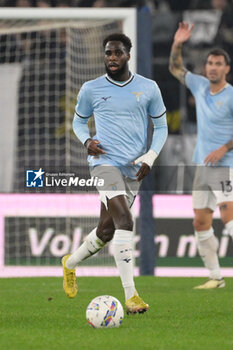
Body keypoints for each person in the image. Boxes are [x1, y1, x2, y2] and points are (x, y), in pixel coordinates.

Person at [62, 33, 168, 313]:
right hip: (103, 164)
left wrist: (151, 155)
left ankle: (70, 263)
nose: (112, 58)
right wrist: (87, 141)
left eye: (117, 53)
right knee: (125, 220)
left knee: (106, 231)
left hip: (134, 168)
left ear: (128, 55)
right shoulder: (91, 89)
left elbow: (161, 128)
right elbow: (79, 121)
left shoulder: (149, 88)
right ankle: (131, 296)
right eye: (108, 53)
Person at [169, 22, 233, 289]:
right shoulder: (199, 85)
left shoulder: (231, 96)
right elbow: (175, 68)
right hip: (201, 165)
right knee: (200, 221)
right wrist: (177, 43)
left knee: (229, 216)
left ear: (227, 69)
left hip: (225, 166)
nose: (213, 67)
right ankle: (215, 277)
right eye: (210, 63)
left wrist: (224, 148)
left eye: (218, 63)